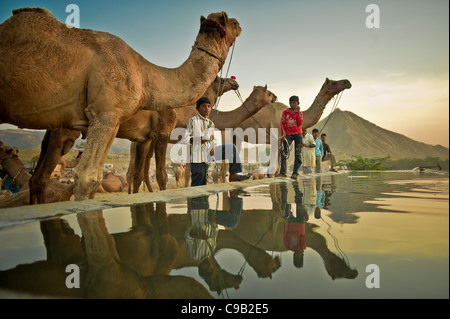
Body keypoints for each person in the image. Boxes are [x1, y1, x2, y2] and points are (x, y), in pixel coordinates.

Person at [185, 97, 250, 186]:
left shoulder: (211, 124)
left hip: (209, 153)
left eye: (208, 106)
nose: (207, 108)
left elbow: (213, 140)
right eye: (203, 106)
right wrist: (198, 139)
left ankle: (234, 175)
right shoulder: (192, 121)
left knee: (231, 148)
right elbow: (186, 139)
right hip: (198, 157)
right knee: (200, 183)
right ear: (197, 108)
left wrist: (213, 148)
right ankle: (197, 199)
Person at [278, 95, 303, 179]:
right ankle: (283, 172)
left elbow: (299, 123)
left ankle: (295, 172)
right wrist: (283, 134)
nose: (292, 104)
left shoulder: (300, 113)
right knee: (284, 152)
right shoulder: (285, 112)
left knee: (298, 153)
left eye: (294, 103)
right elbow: (282, 123)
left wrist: (298, 112)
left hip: (298, 135)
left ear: (298, 103)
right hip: (288, 134)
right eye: (291, 103)